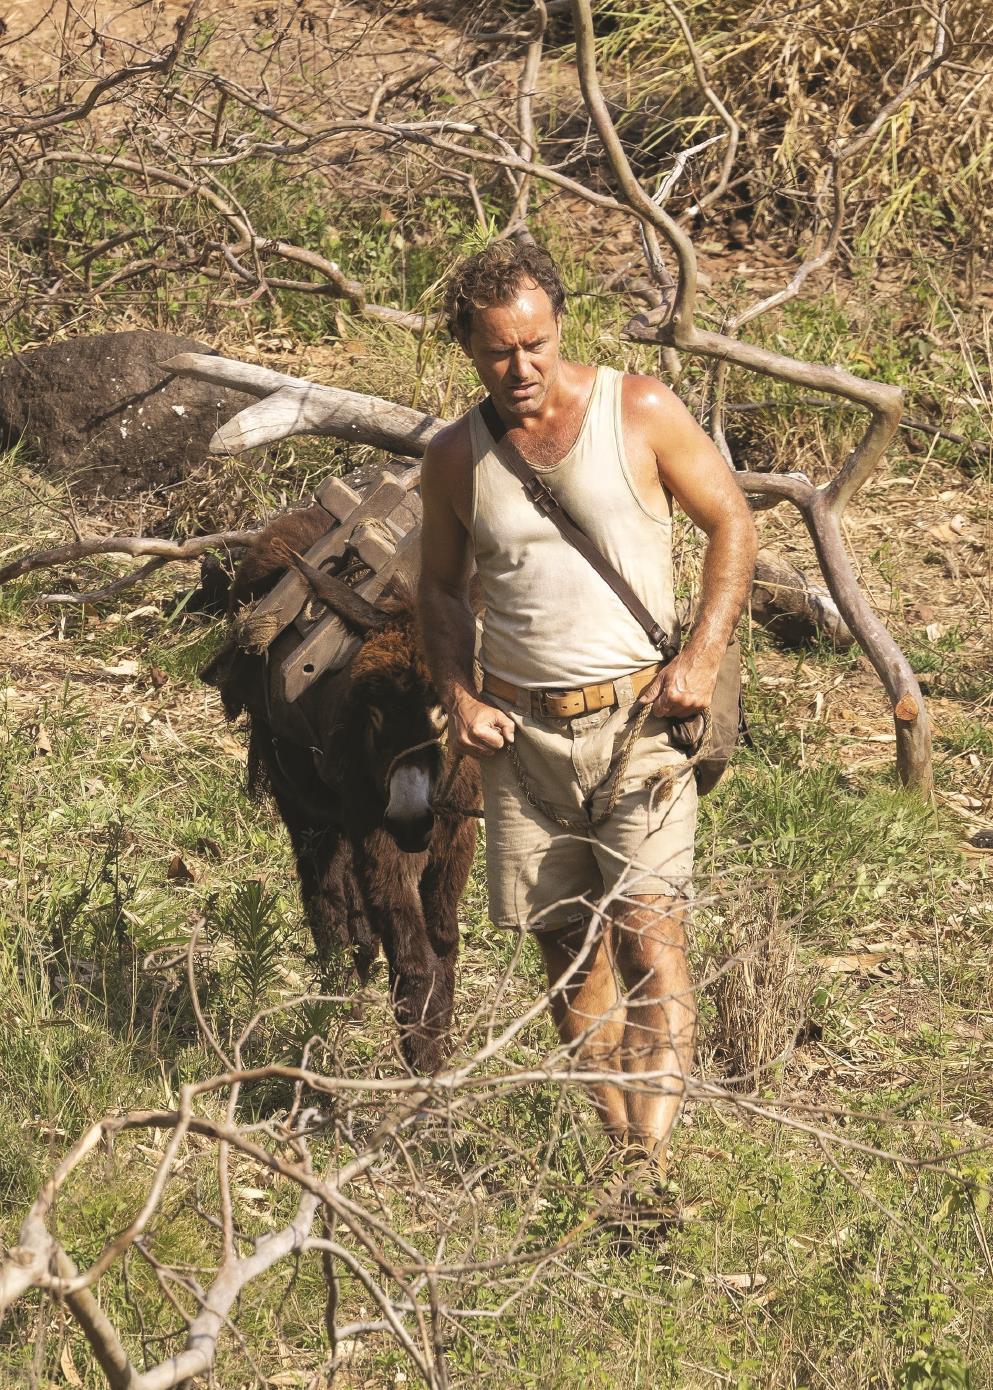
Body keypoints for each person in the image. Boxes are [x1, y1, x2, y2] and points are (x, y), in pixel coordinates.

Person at [418, 240, 757, 1177]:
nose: (520, 368)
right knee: (570, 957)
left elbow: (730, 520)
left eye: (535, 344)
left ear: (560, 326)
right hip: (522, 738)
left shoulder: (636, 409)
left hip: (639, 721)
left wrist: (701, 656)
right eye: (497, 351)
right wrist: (458, 696)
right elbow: (438, 589)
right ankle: (622, 1156)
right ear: (466, 347)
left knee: (649, 933)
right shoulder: (454, 457)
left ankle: (655, 1155)